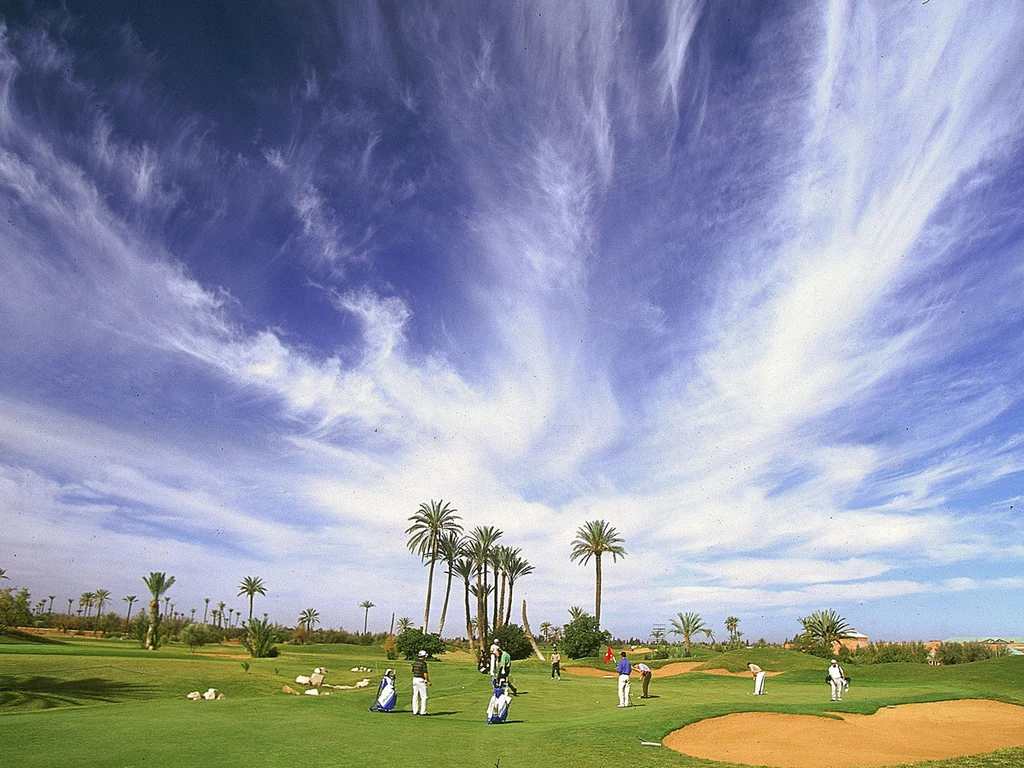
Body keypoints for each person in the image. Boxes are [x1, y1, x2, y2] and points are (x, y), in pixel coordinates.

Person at [411, 649, 431, 715]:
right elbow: (425, 673)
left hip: (414, 679)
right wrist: (428, 681)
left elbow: (413, 671)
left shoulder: (415, 662)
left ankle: (415, 711)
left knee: (415, 695)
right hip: (420, 680)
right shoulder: (423, 663)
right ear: (424, 656)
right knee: (424, 696)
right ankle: (423, 712)